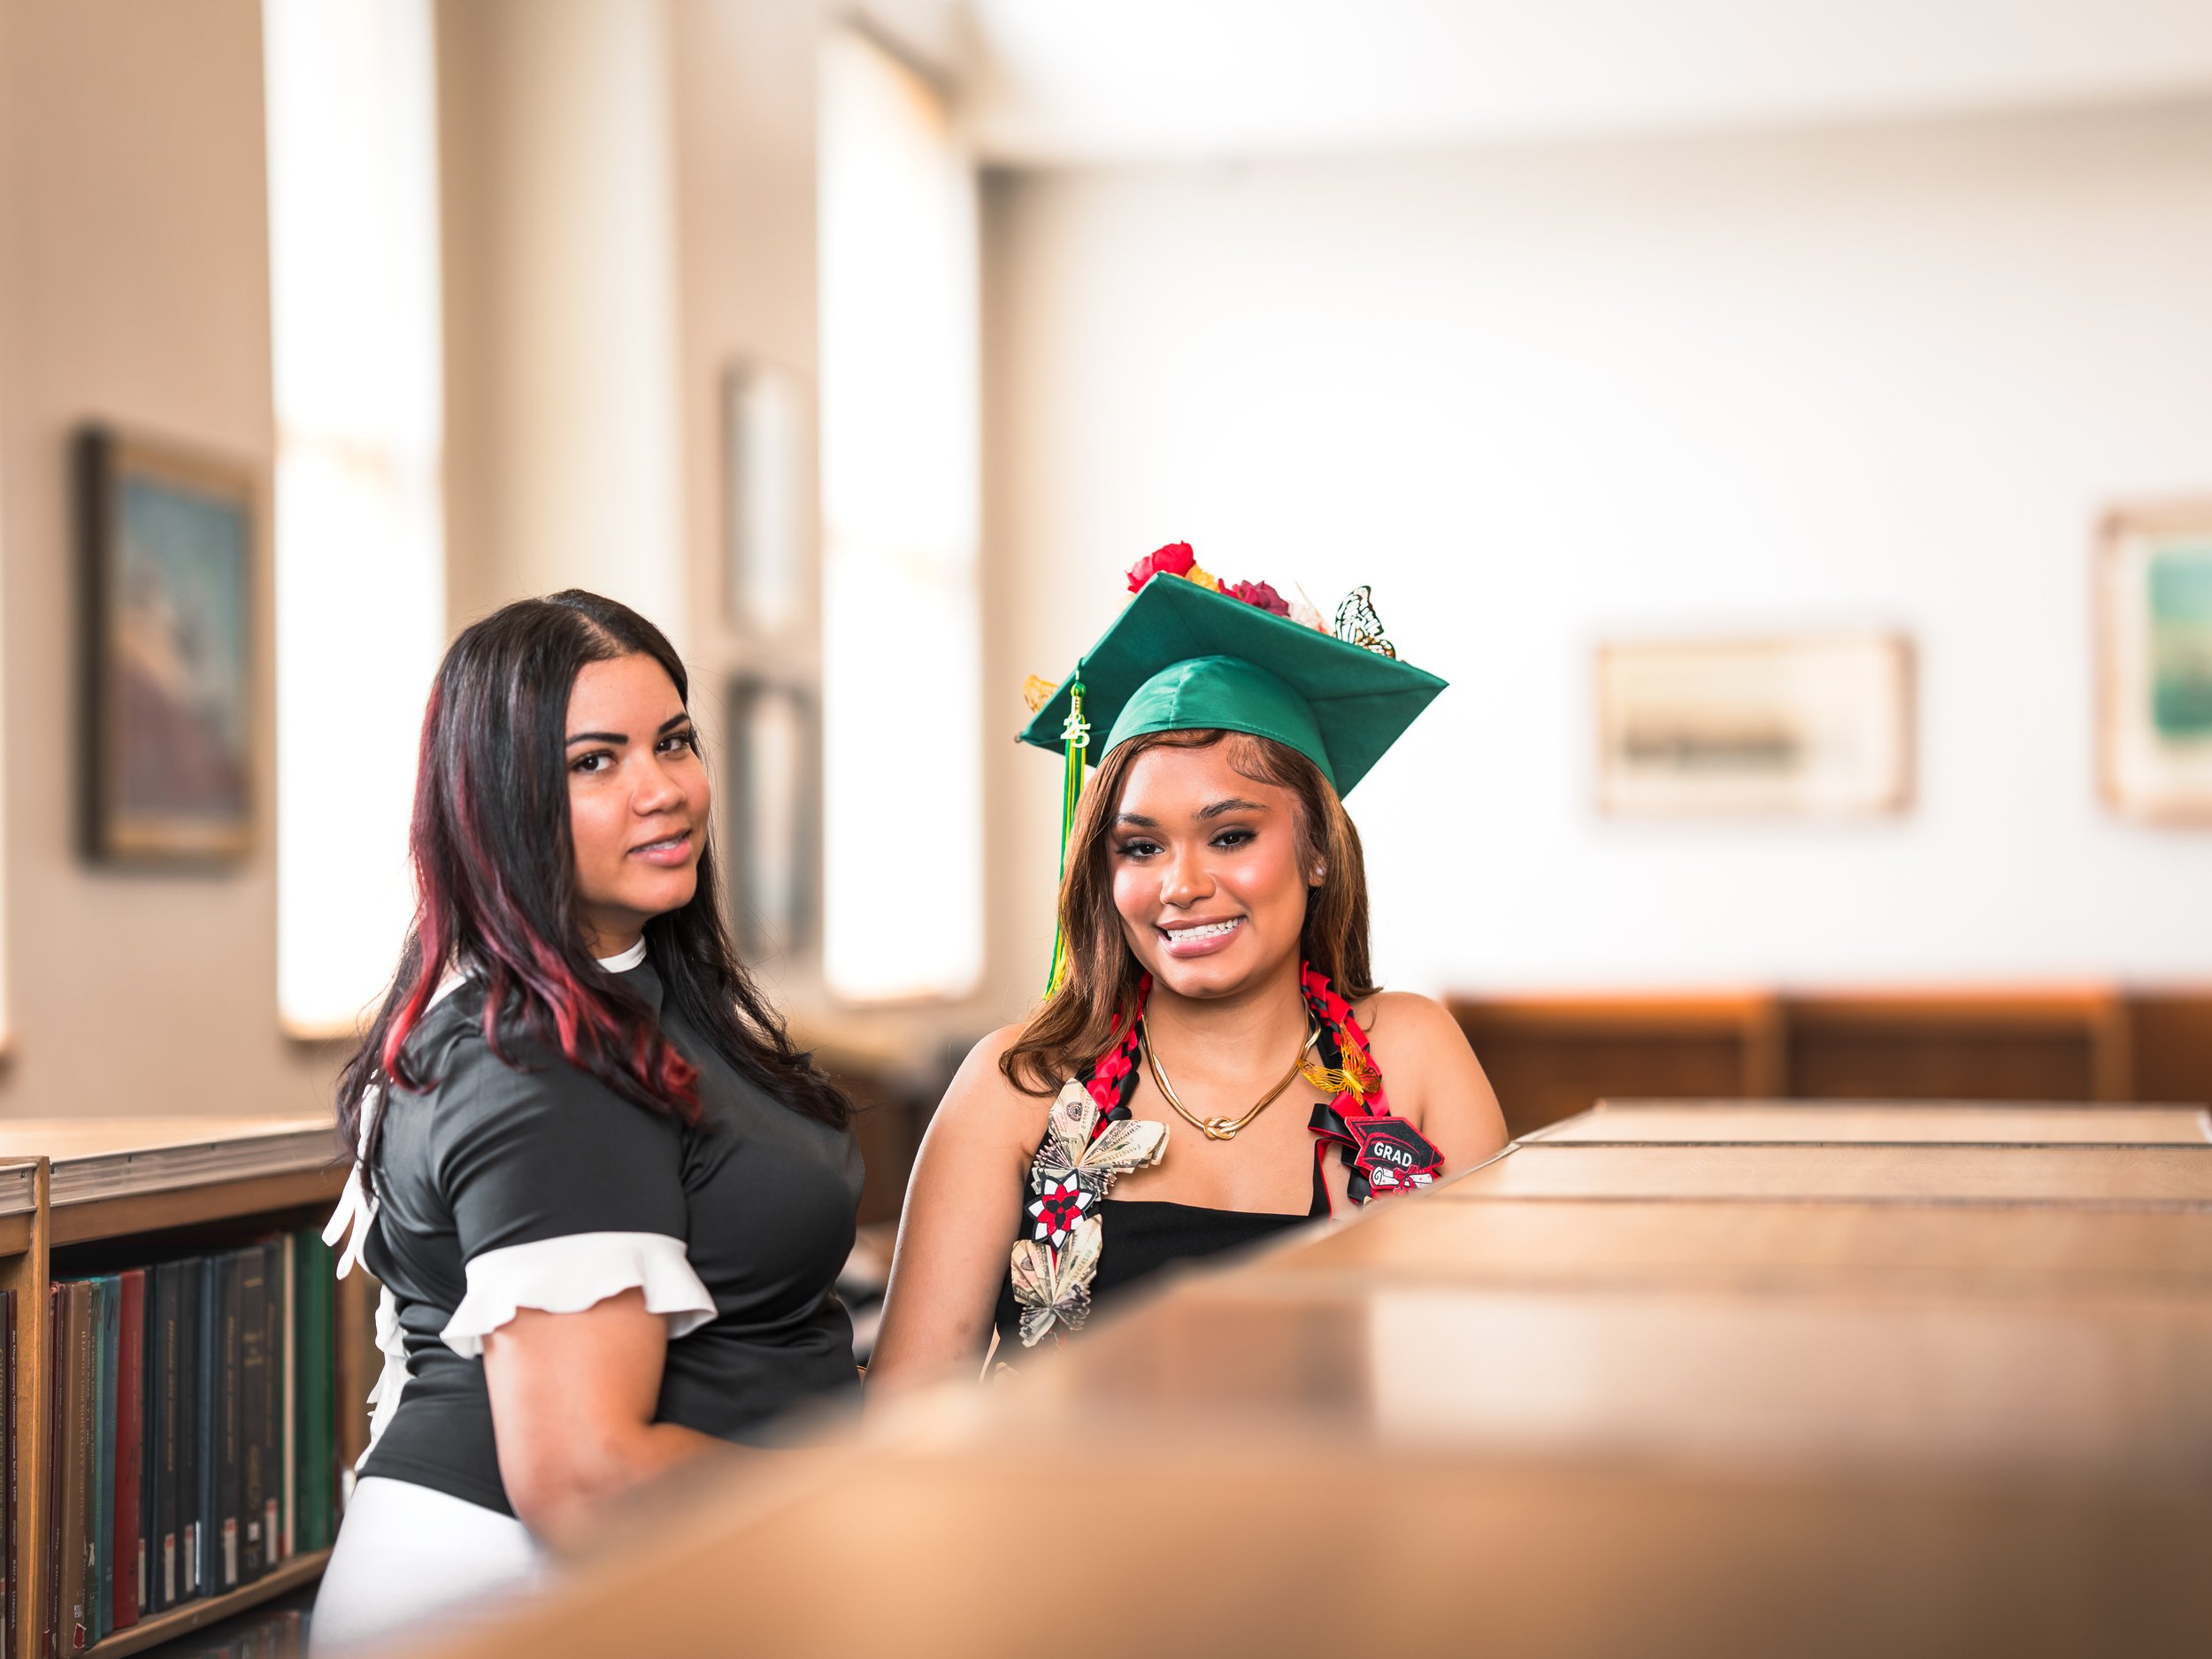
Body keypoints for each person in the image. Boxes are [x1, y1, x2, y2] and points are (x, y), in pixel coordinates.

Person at [311, 592, 861, 1651]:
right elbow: (587, 1479)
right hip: (519, 1597)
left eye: (675, 742)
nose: (663, 791)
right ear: (498, 801)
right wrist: (887, 1505)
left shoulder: (635, 995)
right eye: (594, 762)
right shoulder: (542, 1053)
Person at [868, 548, 1508, 1386]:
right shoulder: (1017, 1083)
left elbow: (1499, 1371)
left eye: (1231, 835)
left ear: (1316, 849)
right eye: (1141, 846)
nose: (1183, 886)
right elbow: (906, 1420)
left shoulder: (1413, 1055)